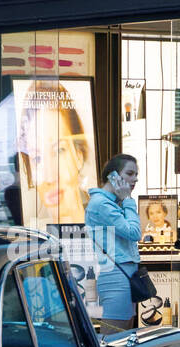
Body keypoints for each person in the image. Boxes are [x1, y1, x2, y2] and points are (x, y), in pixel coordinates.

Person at [15, 80, 95, 227]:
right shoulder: (31, 239)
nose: (49, 177)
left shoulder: (104, 229)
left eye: (59, 150)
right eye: (37, 158)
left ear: (78, 155)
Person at [85, 153, 142, 327]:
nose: (135, 179)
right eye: (130, 174)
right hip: (117, 275)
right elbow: (134, 232)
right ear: (114, 176)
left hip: (125, 273)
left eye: (136, 175)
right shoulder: (102, 204)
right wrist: (128, 200)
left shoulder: (113, 203)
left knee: (124, 336)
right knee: (114, 338)